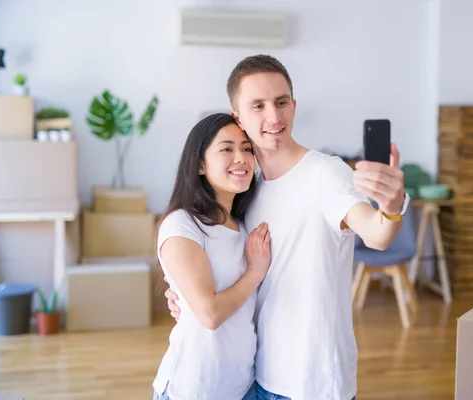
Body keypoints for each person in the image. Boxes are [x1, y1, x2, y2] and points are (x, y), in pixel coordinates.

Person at [165, 55, 410, 400]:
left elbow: (377, 234)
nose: (273, 116)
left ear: (294, 106)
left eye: (281, 102)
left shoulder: (326, 173)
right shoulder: (247, 190)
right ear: (239, 117)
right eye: (258, 105)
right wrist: (183, 297)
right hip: (257, 376)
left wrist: (391, 204)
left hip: (315, 383)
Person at [152, 113, 271, 400]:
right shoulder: (181, 225)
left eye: (246, 148)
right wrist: (255, 272)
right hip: (192, 388)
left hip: (242, 386)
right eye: (226, 149)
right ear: (200, 165)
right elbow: (210, 313)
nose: (241, 157)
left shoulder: (243, 227)